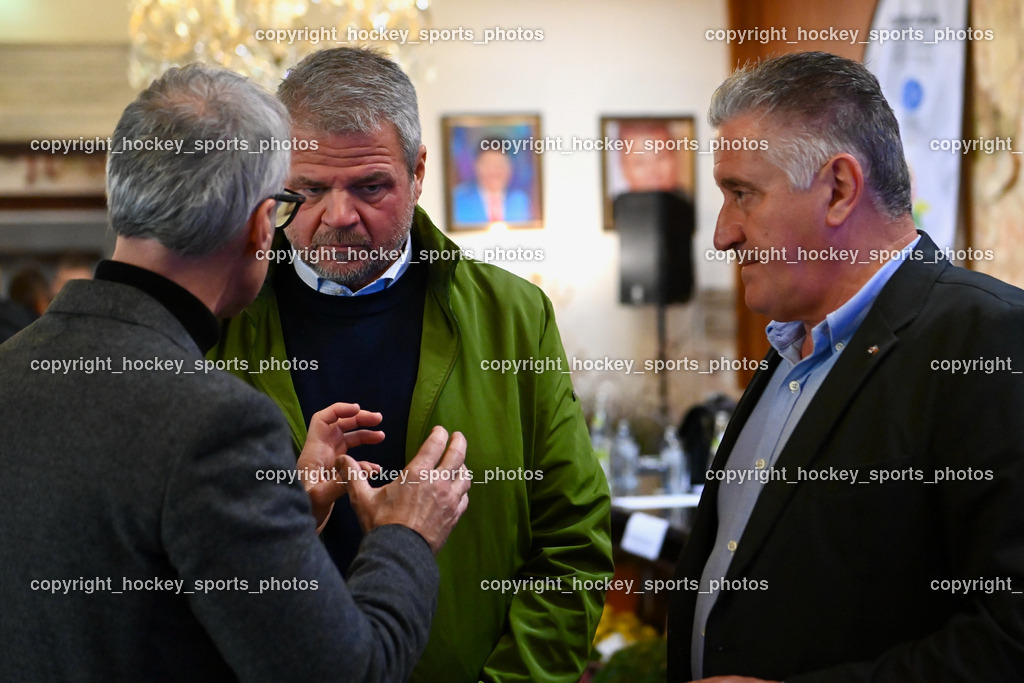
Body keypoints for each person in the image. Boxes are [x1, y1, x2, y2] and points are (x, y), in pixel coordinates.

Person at [0, 63, 472, 682]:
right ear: (260, 224)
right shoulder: (216, 423)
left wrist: (288, 510)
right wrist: (406, 533)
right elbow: (348, 673)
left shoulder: (12, 367)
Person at [211, 46, 613, 683]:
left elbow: (573, 538)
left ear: (420, 170)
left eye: (370, 187)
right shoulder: (219, 317)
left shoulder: (512, 315)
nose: (338, 217)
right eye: (308, 190)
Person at [667, 51, 1024, 683]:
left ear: (838, 189)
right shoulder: (789, 349)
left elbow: (1010, 638)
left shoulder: (991, 339)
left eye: (742, 194)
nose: (723, 234)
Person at [452, 139, 532, 224]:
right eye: (488, 164)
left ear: (511, 167)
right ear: (476, 166)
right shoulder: (457, 200)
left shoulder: (521, 200)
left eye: (500, 163)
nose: (494, 170)